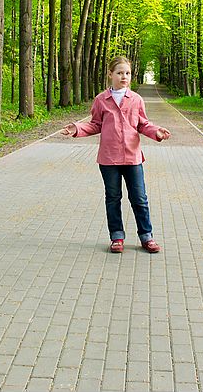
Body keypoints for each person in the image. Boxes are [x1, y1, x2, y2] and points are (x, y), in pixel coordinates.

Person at [60, 57, 171, 253]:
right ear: (110, 74)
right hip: (109, 158)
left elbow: (143, 124)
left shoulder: (136, 99)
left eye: (127, 73)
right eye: (119, 73)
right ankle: (117, 237)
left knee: (139, 198)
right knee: (113, 198)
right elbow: (95, 124)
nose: (124, 77)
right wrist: (76, 128)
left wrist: (157, 133)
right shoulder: (101, 100)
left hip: (132, 157)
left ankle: (147, 237)